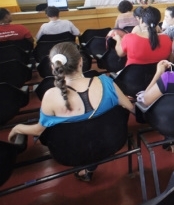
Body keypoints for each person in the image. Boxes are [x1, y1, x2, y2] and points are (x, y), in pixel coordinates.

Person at [8, 42, 134, 181]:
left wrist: (18, 128)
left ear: (52, 67)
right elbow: (130, 108)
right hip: (112, 143)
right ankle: (90, 167)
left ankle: (87, 167)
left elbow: (39, 131)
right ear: (81, 61)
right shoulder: (106, 82)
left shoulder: (50, 96)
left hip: (69, 153)